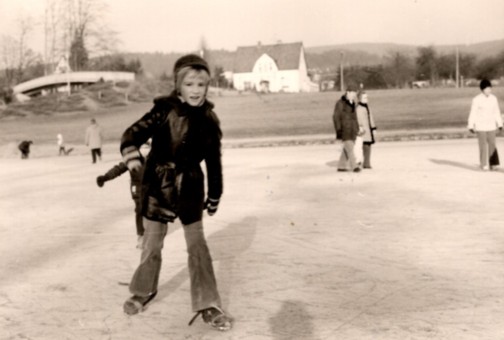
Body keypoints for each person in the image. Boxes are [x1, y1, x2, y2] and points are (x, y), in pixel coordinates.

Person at [119, 54, 232, 331]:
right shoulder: (164, 110)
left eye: (201, 84)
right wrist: (132, 156)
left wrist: (215, 195)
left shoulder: (209, 120)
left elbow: (214, 163)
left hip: (191, 186)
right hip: (158, 184)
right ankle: (143, 290)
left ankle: (208, 302)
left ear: (208, 86)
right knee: (152, 244)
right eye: (190, 84)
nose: (196, 90)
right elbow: (132, 134)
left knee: (198, 248)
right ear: (178, 86)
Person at [97, 161, 145, 248]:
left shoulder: (157, 153)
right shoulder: (133, 155)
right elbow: (119, 168)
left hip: (153, 187)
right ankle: (141, 237)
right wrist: (105, 177)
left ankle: (153, 236)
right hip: (138, 187)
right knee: (140, 209)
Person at [467, 79, 503, 171]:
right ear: (482, 89)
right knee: (482, 145)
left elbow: (496, 112)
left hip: (491, 125)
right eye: (487, 88)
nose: (489, 90)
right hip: (481, 126)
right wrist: (471, 125)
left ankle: (493, 164)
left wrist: (500, 124)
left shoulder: (493, 98)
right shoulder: (476, 99)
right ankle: (483, 164)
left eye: (490, 88)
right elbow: (473, 113)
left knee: (492, 144)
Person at [332, 83, 360, 172]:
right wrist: (338, 131)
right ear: (347, 92)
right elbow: (336, 118)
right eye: (352, 93)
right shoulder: (340, 103)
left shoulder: (353, 103)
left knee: (347, 149)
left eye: (355, 94)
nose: (354, 95)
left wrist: (357, 128)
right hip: (344, 130)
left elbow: (355, 118)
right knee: (350, 149)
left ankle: (341, 166)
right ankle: (354, 166)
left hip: (352, 130)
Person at [356, 91, 377, 169]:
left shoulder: (367, 107)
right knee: (362, 147)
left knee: (368, 146)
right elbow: (358, 120)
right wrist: (360, 127)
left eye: (367, 97)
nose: (367, 99)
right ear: (360, 99)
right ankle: (361, 163)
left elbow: (371, 118)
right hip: (363, 131)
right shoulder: (358, 108)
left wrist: (373, 128)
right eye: (365, 97)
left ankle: (366, 163)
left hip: (368, 130)